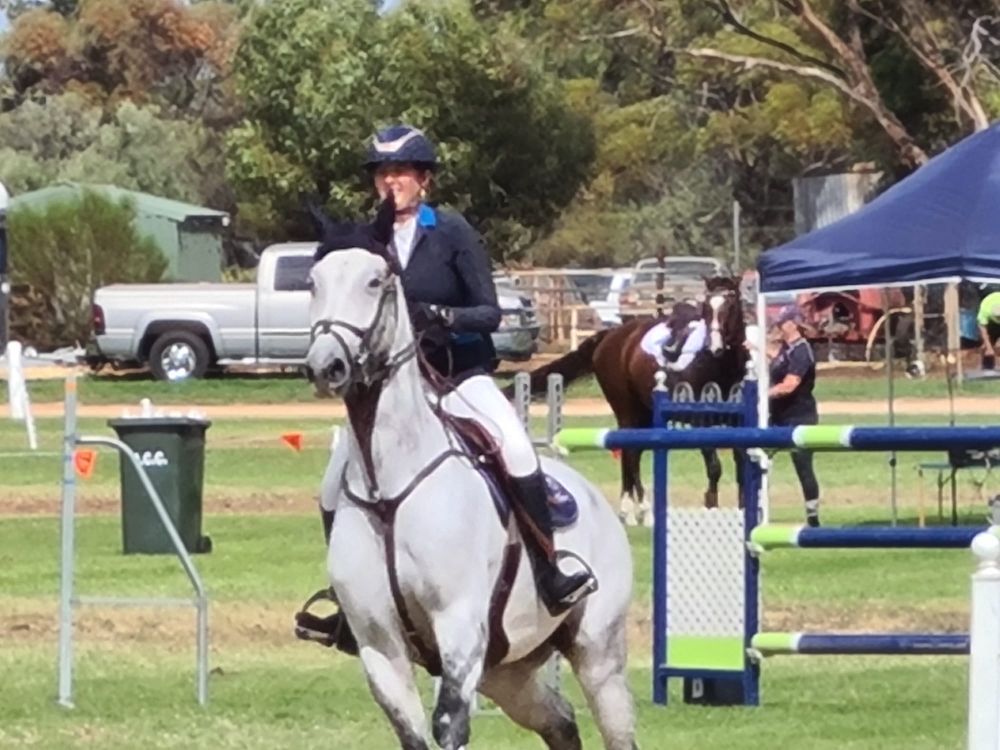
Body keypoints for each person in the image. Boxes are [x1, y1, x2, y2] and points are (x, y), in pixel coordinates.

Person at [295, 125, 596, 651]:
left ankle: (551, 572)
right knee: (330, 484)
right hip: (392, 394)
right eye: (384, 174)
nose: (392, 182)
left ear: (424, 180)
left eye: (402, 173)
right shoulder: (371, 240)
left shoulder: (452, 232)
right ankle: (348, 604)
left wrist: (441, 315)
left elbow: (489, 311)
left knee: (518, 449)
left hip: (460, 379)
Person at [768, 304, 822, 527]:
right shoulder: (786, 348)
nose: (778, 328)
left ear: (792, 324)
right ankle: (755, 505)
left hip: (800, 417)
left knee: (803, 465)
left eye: (781, 324)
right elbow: (776, 357)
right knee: (757, 455)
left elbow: (790, 385)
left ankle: (812, 514)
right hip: (778, 417)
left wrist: (763, 395)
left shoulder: (802, 351)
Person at [977, 290, 1000, 369]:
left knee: (998, 346)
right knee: (985, 347)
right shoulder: (985, 310)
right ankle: (986, 367)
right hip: (991, 324)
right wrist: (989, 347)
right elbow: (983, 330)